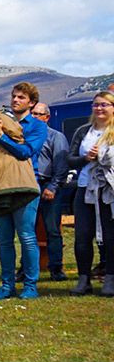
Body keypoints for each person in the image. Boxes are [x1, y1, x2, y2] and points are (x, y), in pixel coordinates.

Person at [0, 82, 48, 300]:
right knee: (4, 239)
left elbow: (26, 151)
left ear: (31, 103)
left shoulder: (37, 126)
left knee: (27, 236)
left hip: (25, 186)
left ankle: (30, 285)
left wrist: (1, 137)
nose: (16, 100)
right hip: (0, 186)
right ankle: (7, 285)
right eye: (14, 96)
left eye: (21, 97)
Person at [68, 91, 114, 296]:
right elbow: (70, 159)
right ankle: (84, 279)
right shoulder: (83, 131)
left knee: (111, 236)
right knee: (82, 235)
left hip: (109, 189)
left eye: (105, 105)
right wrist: (86, 158)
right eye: (96, 105)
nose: (100, 108)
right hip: (85, 187)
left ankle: (110, 279)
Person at [29, 102, 69, 282]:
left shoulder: (56, 137)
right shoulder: (26, 137)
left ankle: (56, 268)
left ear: (47, 117)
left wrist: (53, 187)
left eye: (39, 114)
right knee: (27, 230)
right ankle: (27, 268)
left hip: (48, 184)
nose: (35, 117)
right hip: (29, 185)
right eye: (33, 114)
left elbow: (61, 166)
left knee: (52, 229)